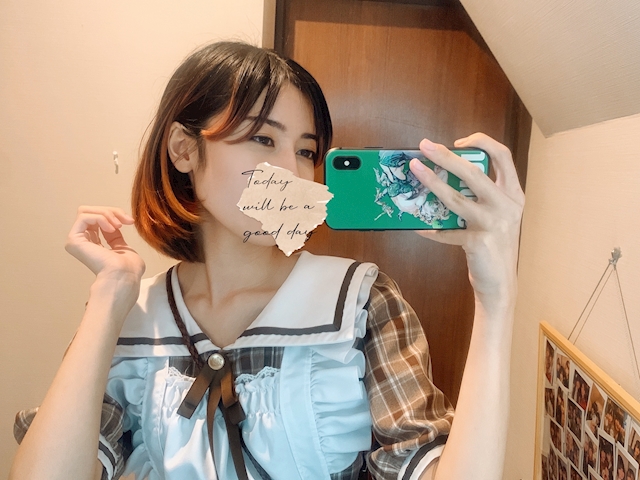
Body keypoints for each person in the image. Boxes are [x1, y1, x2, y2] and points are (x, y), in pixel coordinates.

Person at [9, 41, 524, 480]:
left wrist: (495, 298)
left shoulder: (360, 302)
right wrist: (109, 295)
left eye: (306, 151)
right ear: (184, 150)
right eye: (262, 138)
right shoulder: (133, 315)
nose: (292, 171)